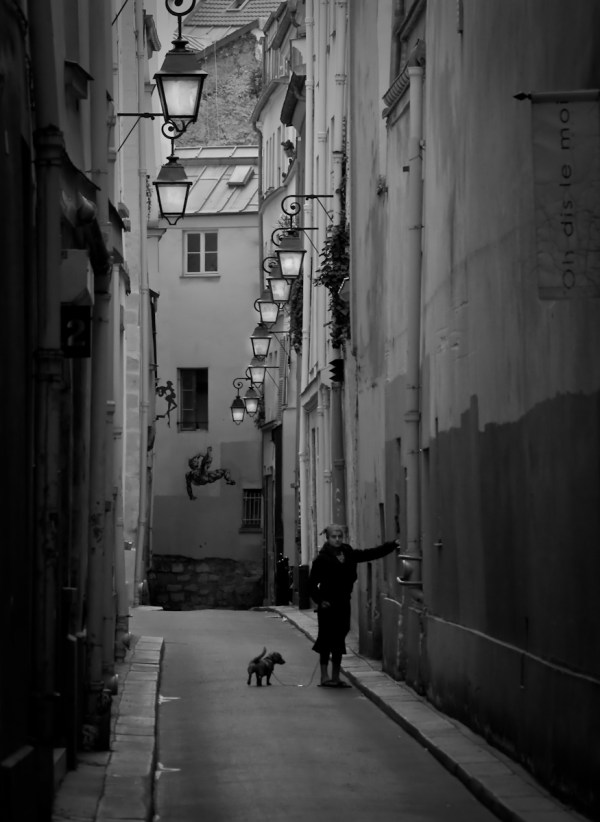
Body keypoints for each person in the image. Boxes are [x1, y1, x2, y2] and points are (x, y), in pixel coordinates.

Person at [309, 524, 400, 688]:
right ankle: (324, 676)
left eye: (339, 536)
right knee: (326, 639)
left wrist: (391, 545)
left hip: (343, 601)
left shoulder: (348, 553)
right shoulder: (322, 559)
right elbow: (311, 584)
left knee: (339, 638)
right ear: (328, 538)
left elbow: (369, 554)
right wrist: (320, 600)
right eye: (333, 537)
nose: (337, 540)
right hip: (328, 605)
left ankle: (336, 676)